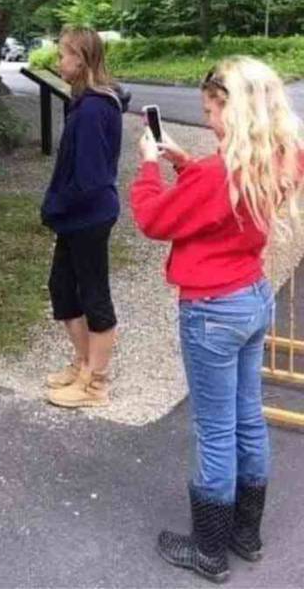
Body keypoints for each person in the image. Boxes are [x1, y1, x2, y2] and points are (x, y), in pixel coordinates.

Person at [130, 56, 303, 583]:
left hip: (211, 308)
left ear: (237, 107)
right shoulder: (284, 156)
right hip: (253, 296)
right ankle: (245, 534)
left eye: (212, 110)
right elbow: (222, 204)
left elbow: (153, 219)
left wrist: (148, 166)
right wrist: (186, 163)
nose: (208, 121)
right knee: (248, 417)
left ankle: (207, 550)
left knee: (214, 430)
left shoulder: (216, 174)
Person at [41, 28, 129, 408]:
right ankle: (83, 365)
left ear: (80, 58)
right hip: (75, 217)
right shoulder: (82, 101)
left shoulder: (94, 108)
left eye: (63, 54)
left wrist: (57, 206)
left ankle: (96, 384)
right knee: (62, 289)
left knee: (94, 295)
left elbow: (90, 179)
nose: (58, 61)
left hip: (88, 216)